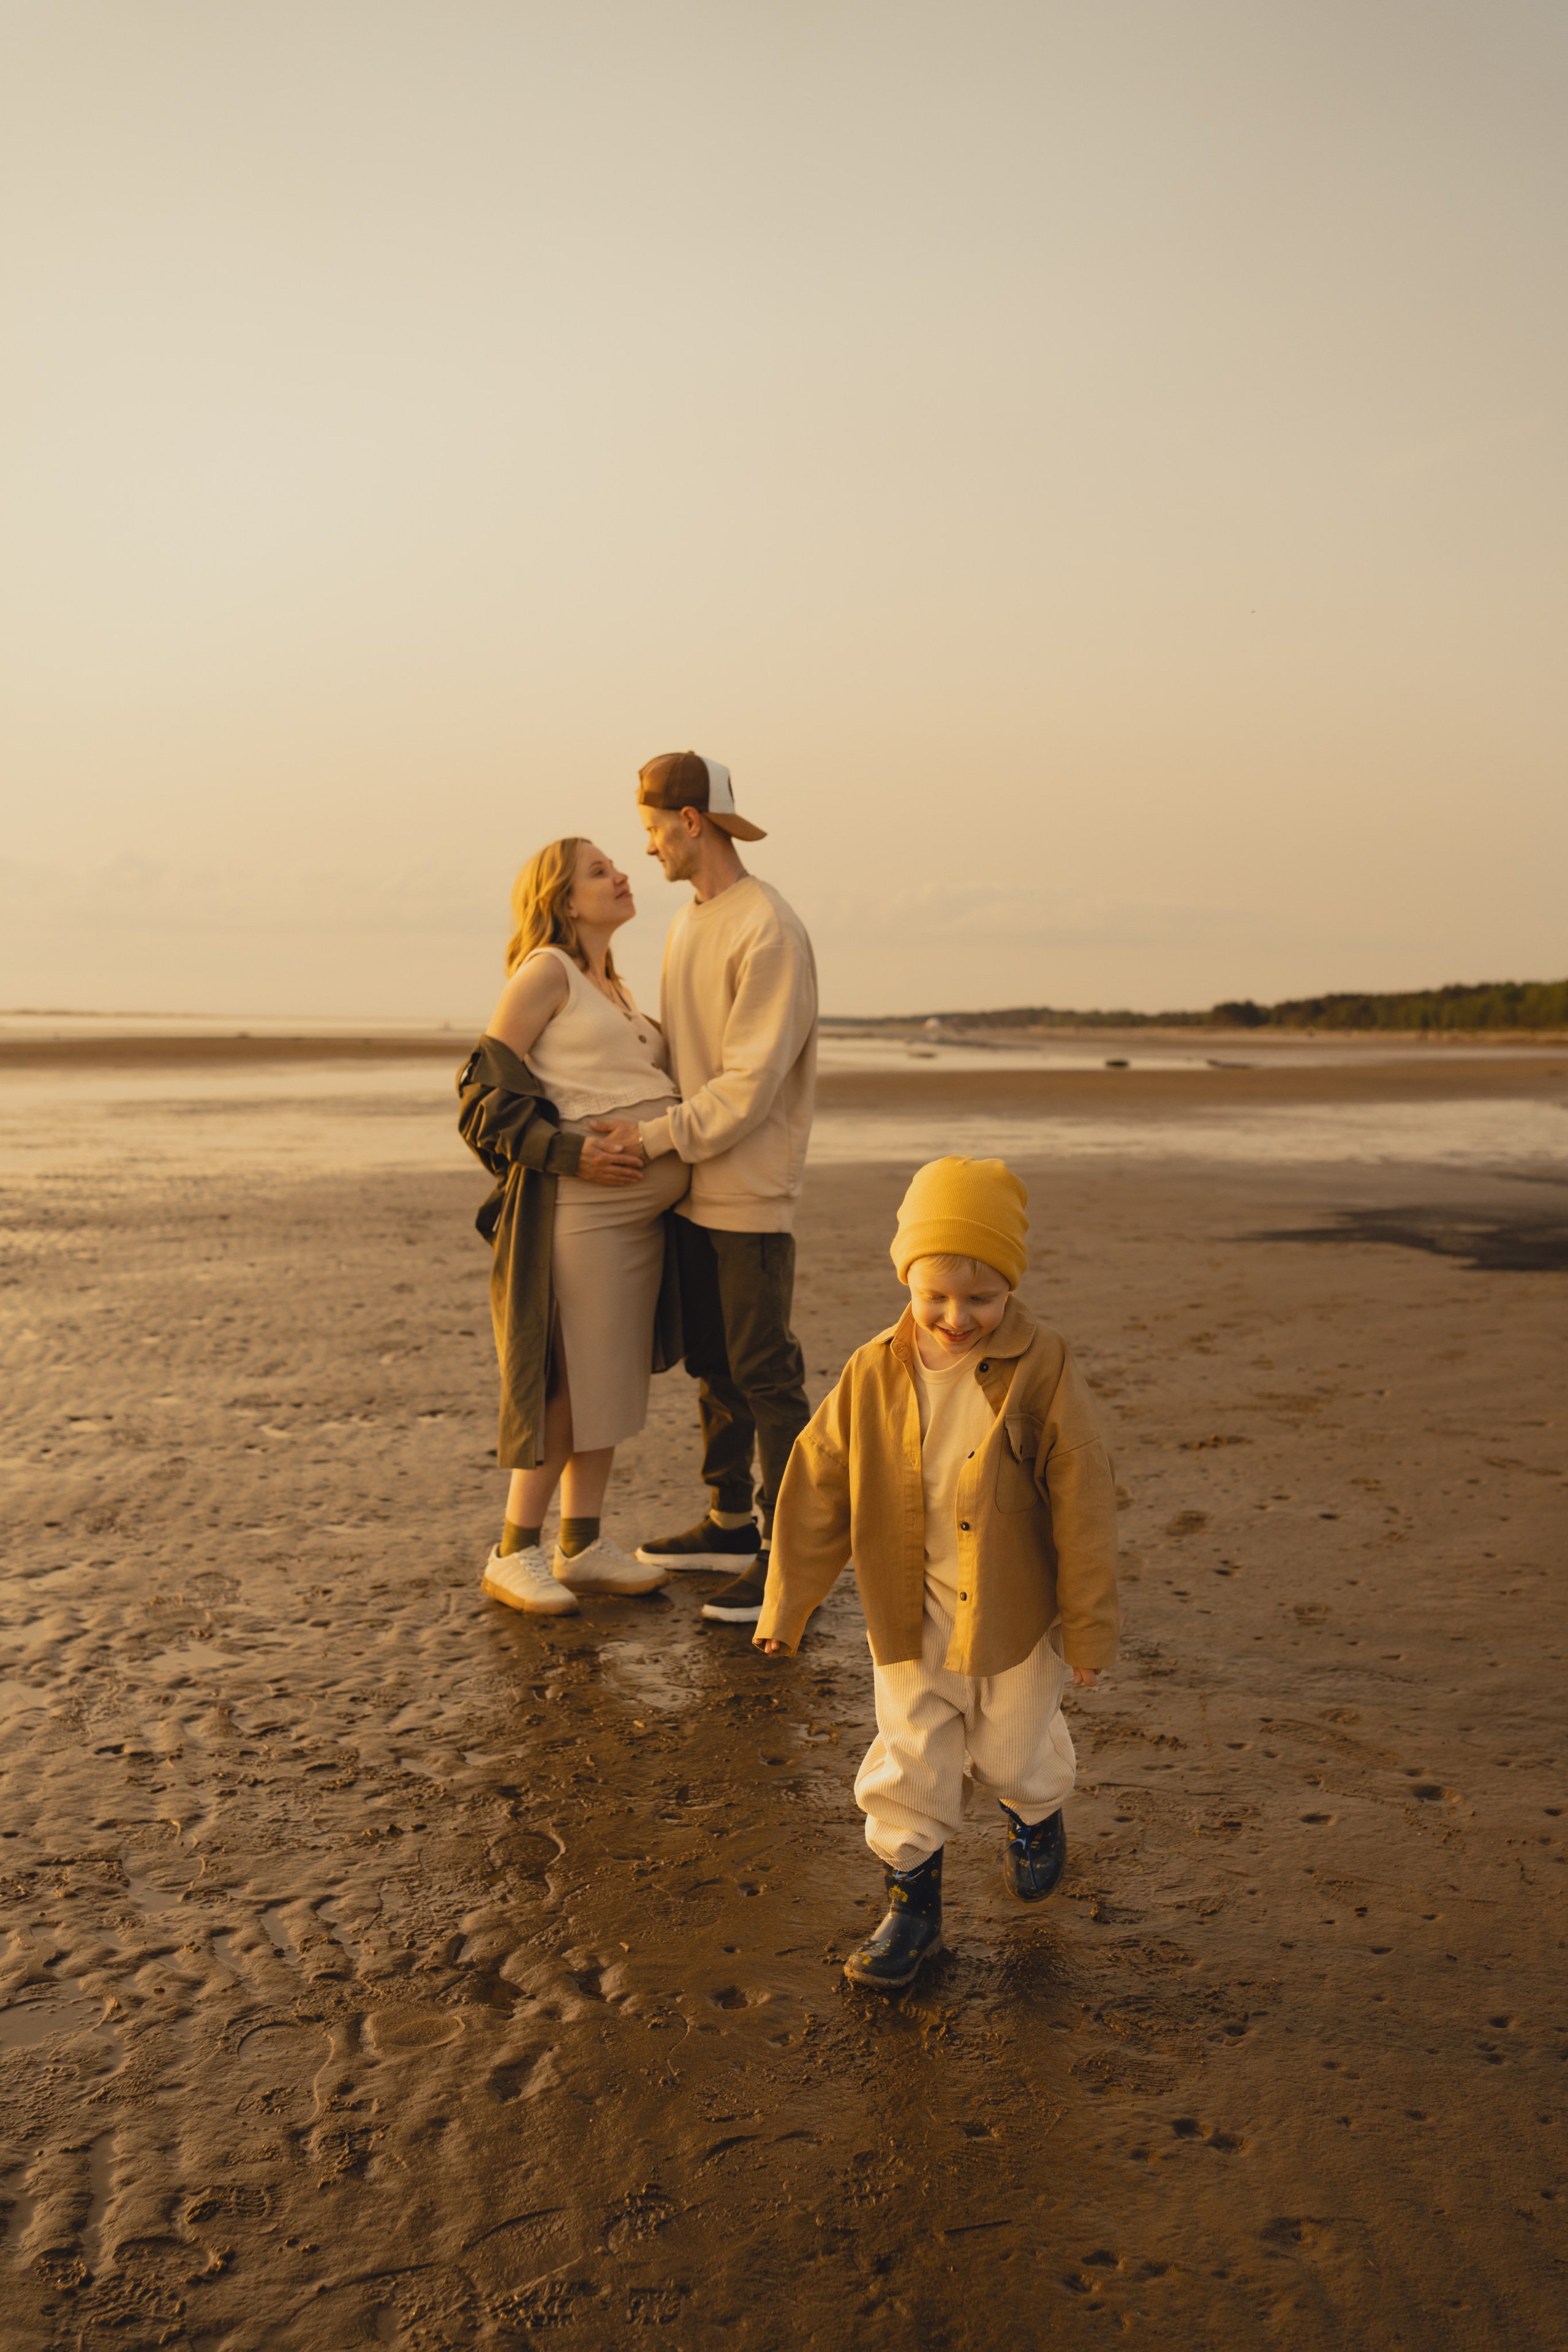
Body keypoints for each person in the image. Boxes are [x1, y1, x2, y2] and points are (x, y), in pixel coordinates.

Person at [753, 1155, 1120, 1991]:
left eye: (981, 1300)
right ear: (907, 1280)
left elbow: (1084, 1502)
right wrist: (788, 1604)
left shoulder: (1043, 1366)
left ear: (1011, 1290)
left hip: (1016, 1620)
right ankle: (910, 1907)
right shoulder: (873, 1370)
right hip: (907, 1613)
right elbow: (816, 1485)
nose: (956, 1319)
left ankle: (1036, 1811)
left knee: (1008, 1754)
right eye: (936, 1298)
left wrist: (1090, 1629)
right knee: (911, 1756)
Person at [590, 750, 816, 1628]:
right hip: (689, 1181)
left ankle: (793, 1552)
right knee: (715, 1366)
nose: (644, 847)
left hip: (750, 1188)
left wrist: (648, 1139)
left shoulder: (769, 927)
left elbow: (749, 1086)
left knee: (767, 1373)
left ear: (691, 821)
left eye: (650, 828)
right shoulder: (691, 922)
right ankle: (729, 1523)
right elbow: (678, 1055)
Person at [456, 836, 686, 1616]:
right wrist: (571, 1154)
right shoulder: (546, 973)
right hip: (582, 1211)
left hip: (638, 1218)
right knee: (563, 1383)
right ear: (561, 900)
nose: (621, 874)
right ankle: (513, 1550)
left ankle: (581, 1544)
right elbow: (479, 1099)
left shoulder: (613, 986)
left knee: (607, 1378)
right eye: (600, 871)